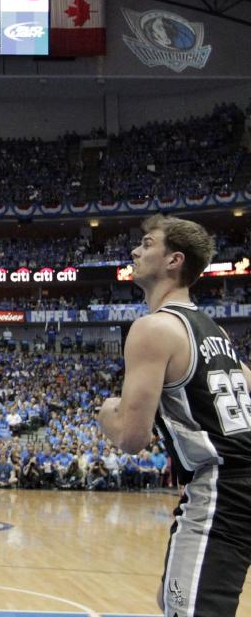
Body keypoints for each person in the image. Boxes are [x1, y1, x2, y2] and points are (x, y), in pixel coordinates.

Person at [97, 214, 251, 616]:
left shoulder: (153, 329)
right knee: (174, 597)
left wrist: (106, 412)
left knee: (188, 609)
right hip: (238, 483)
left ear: (173, 260)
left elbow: (131, 439)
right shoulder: (214, 330)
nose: (135, 249)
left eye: (147, 243)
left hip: (221, 488)